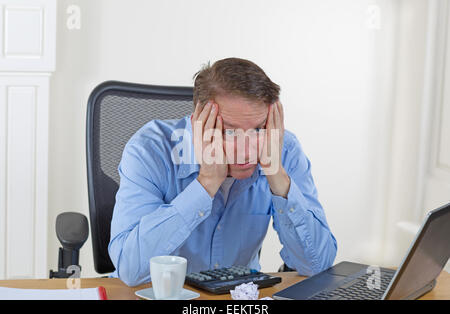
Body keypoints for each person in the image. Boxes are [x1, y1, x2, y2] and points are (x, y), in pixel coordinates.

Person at [108, 57, 337, 286]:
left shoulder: (282, 150)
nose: (247, 151)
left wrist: (277, 178)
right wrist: (205, 184)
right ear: (197, 121)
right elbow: (130, 270)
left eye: (258, 128)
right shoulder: (150, 150)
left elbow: (317, 266)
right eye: (229, 132)